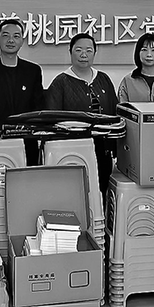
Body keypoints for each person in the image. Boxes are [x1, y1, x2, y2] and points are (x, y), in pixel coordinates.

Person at [46, 33, 118, 195]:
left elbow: (115, 113)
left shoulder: (103, 79)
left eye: (89, 50)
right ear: (70, 52)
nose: (83, 55)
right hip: (72, 150)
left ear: (95, 53)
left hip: (102, 150)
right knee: (75, 192)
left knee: (101, 190)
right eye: (78, 50)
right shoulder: (61, 82)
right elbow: (52, 119)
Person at [0, 18, 44, 165]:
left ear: (22, 41)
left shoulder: (33, 71)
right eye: (6, 35)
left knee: (27, 178)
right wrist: (6, 132)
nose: (11, 40)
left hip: (27, 143)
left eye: (16, 36)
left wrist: (23, 132)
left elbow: (37, 107)